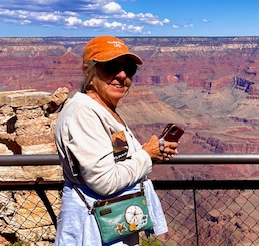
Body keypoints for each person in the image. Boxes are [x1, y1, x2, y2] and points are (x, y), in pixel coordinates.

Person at [54, 35, 177, 245]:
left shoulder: (103, 110)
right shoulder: (84, 113)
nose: (122, 75)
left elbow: (116, 157)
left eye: (129, 69)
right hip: (94, 226)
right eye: (111, 67)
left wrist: (152, 153)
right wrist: (146, 156)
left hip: (113, 220)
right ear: (88, 70)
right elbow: (104, 181)